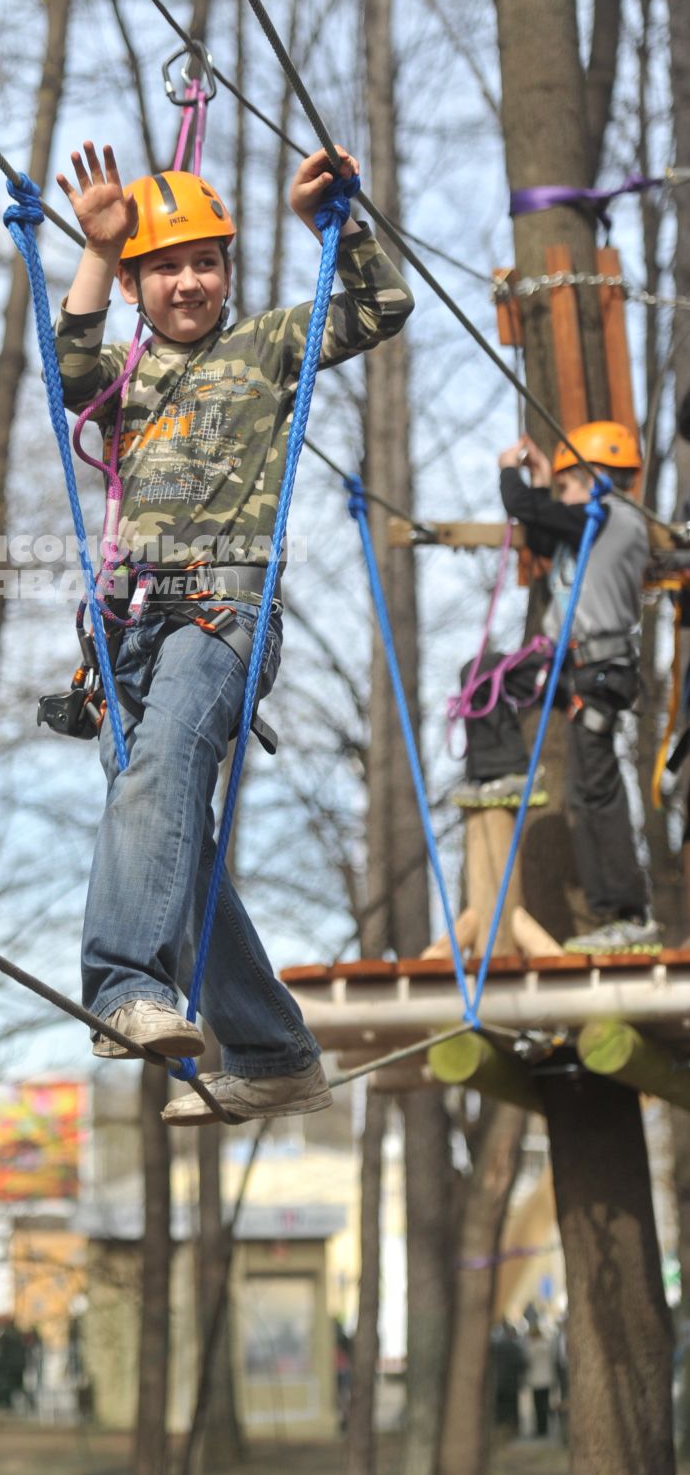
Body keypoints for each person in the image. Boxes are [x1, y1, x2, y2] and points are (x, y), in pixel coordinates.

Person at [53, 140, 414, 1124]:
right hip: (128, 632)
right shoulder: (121, 379)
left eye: (204, 261)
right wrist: (94, 248)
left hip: (223, 610)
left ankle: (125, 985)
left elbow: (379, 310)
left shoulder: (263, 348)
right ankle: (270, 1050)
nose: (188, 281)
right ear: (136, 282)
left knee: (163, 760)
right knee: (175, 839)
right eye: (165, 266)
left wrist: (332, 228)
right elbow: (65, 369)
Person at [453, 422, 659, 954]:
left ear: (595, 480)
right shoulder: (587, 525)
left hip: (597, 668)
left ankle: (627, 914)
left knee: (592, 790)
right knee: (482, 677)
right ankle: (505, 772)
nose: (563, 496)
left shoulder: (617, 518)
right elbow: (546, 524)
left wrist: (510, 473)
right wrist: (546, 482)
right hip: (566, 662)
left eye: (569, 485)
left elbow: (534, 512)